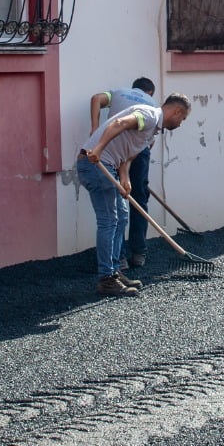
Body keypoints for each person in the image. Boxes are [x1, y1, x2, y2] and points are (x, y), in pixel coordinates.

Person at [77, 94, 191, 296]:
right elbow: (120, 123)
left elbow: (127, 154)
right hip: (96, 164)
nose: (181, 124)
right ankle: (106, 279)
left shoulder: (152, 132)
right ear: (177, 111)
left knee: (121, 217)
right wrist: (99, 148)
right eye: (182, 119)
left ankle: (114, 271)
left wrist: (125, 177)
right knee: (109, 220)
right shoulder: (148, 116)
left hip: (110, 166)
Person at [89, 76, 157, 269]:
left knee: (116, 203)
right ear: (150, 92)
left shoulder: (119, 93)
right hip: (135, 150)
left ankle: (119, 258)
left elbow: (96, 98)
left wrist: (95, 129)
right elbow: (150, 141)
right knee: (139, 199)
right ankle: (138, 252)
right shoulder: (152, 104)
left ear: (134, 88)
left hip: (111, 147)